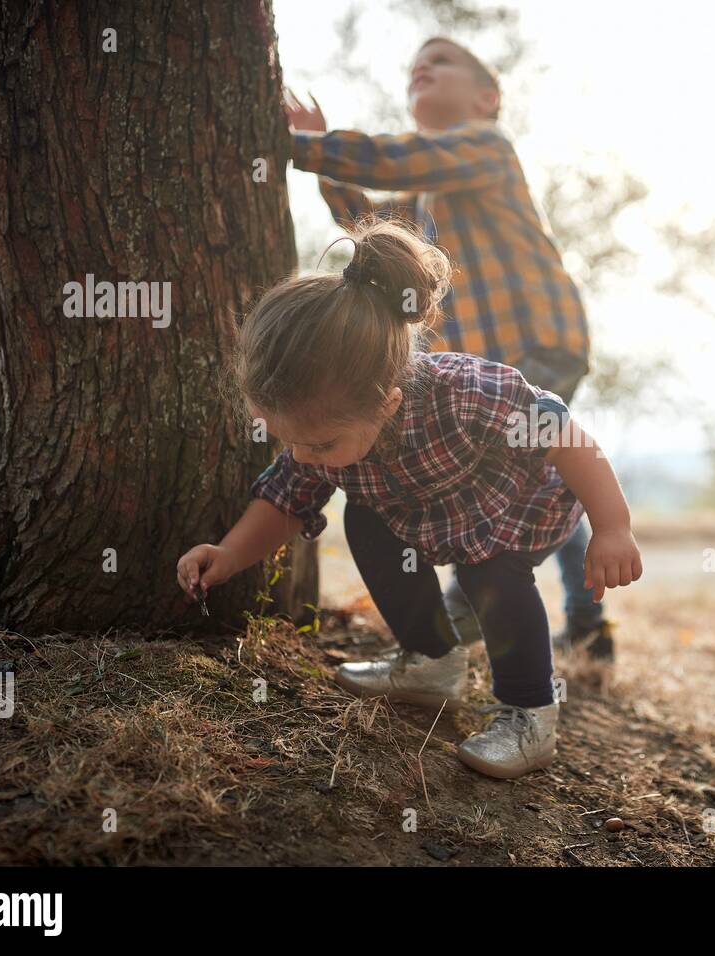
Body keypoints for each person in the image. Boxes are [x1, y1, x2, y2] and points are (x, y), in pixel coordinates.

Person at [175, 219, 642, 779]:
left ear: (388, 402)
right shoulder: (319, 440)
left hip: (509, 510)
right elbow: (283, 502)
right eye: (286, 440)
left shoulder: (466, 391)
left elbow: (566, 439)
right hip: (421, 515)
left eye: (318, 443)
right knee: (364, 521)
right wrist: (226, 556)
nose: (301, 456)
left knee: (488, 575)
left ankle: (529, 716)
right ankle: (432, 659)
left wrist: (612, 526)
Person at [283, 37, 614, 659]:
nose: (422, 69)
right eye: (414, 68)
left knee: (536, 466)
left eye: (442, 62)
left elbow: (395, 159)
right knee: (535, 474)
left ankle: (506, 614)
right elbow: (367, 224)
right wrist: (326, 160)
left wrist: (300, 147)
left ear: (487, 99)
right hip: (491, 366)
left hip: (538, 344)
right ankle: (563, 620)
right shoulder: (423, 196)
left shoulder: (486, 147)